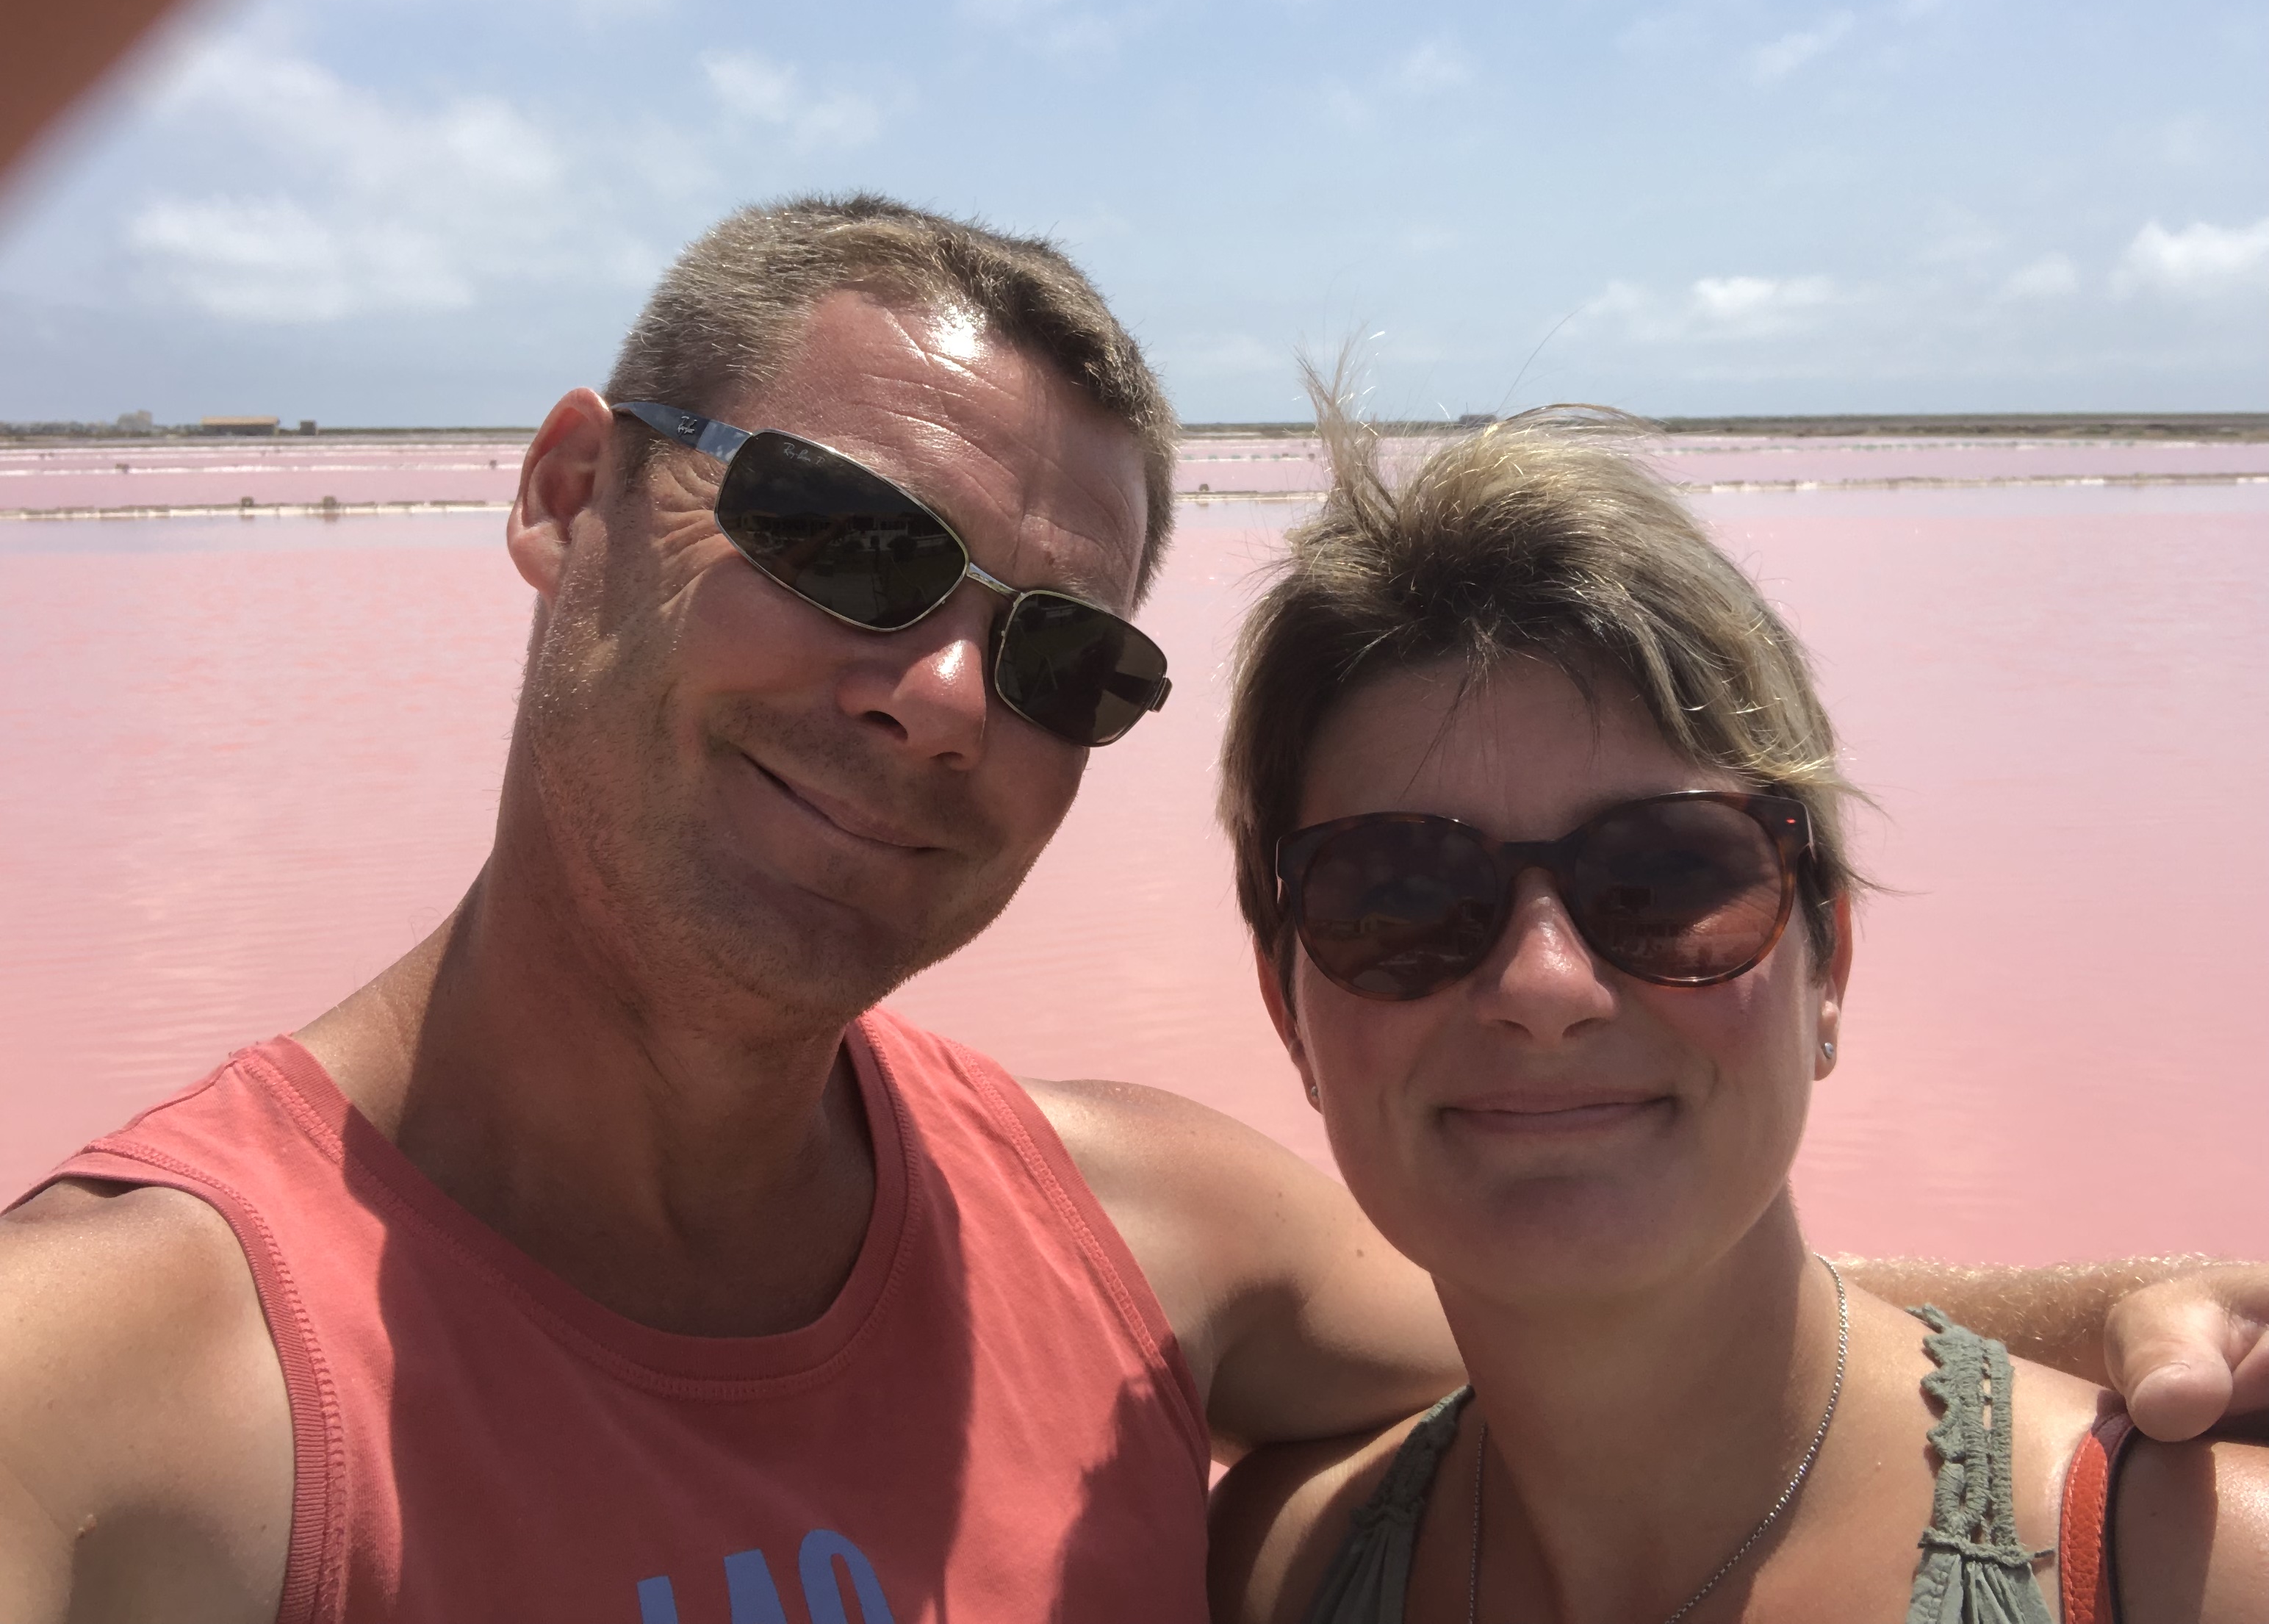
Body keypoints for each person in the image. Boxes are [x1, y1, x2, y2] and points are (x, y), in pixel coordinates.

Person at [0, 198, 2259, 1624]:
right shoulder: (119, 1391)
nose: (943, 700)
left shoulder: (1128, 1240)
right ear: (572, 491)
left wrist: (2145, 1311)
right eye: (850, 544)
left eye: (1064, 660)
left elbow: (1609, 1275)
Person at [1205, 399, 2269, 1623]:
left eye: (1665, 877)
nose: (1544, 986)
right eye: (1400, 898)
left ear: (1830, 967)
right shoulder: (1271, 1573)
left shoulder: (2196, 1570)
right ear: (1288, 1012)